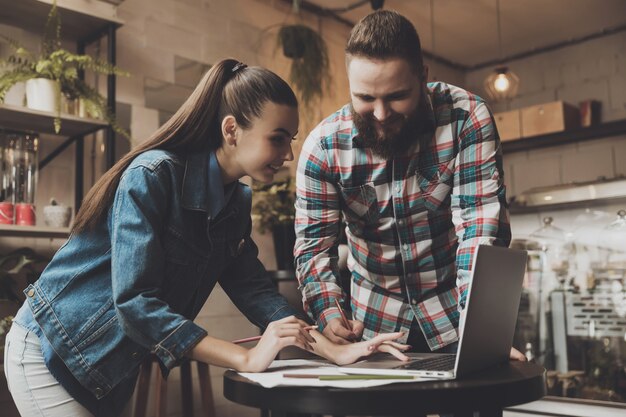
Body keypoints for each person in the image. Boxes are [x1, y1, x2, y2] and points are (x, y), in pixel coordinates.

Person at [3, 59, 407, 417]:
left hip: (104, 371)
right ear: (231, 129)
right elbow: (134, 303)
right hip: (50, 351)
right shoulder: (153, 176)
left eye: (291, 139)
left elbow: (257, 294)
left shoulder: (235, 202)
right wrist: (245, 358)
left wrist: (336, 351)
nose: (288, 154)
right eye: (278, 137)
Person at [294, 10, 526, 361]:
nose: (381, 113)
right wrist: (330, 317)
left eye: (397, 96)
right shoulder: (323, 147)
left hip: (457, 315)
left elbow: (480, 227)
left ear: (423, 76)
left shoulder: (466, 118)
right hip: (373, 327)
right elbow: (314, 248)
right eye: (365, 98)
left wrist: (483, 328)